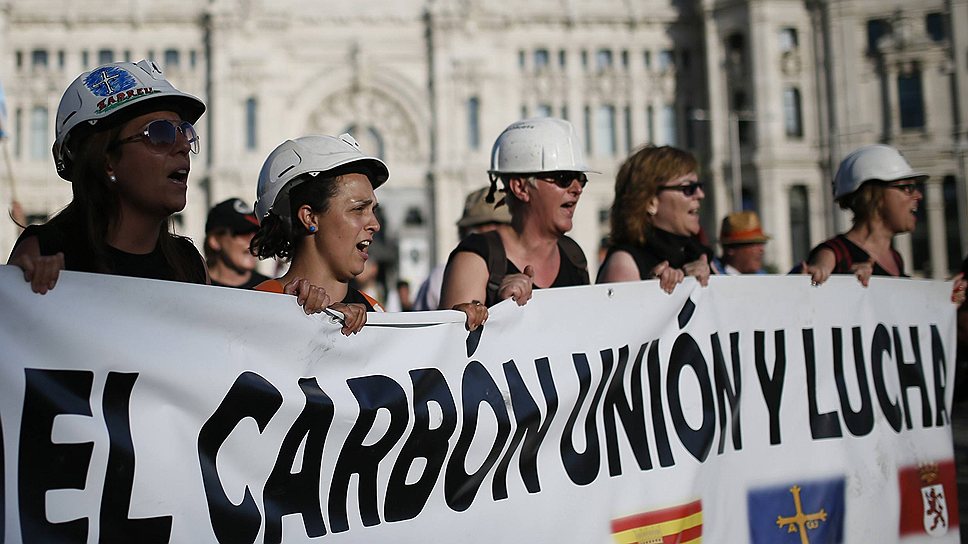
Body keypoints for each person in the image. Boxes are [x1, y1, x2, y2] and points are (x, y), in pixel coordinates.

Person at [7, 60, 208, 293]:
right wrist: (21, 286)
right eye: (159, 133)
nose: (184, 145)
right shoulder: (44, 254)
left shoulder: (191, 266)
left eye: (184, 131)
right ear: (107, 161)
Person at [439, 117, 593, 329]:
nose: (577, 189)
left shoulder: (573, 256)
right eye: (563, 178)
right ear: (521, 188)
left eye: (581, 178)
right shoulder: (476, 258)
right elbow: (450, 343)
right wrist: (500, 310)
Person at [250, 133, 392, 335]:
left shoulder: (376, 312)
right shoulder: (254, 307)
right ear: (309, 217)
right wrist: (303, 323)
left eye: (373, 210)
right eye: (358, 209)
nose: (375, 225)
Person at [802, 144, 967, 300]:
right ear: (875, 195)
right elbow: (813, 283)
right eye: (907, 188)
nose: (918, 195)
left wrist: (946, 296)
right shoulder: (833, 253)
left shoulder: (895, 258)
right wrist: (838, 280)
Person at [597, 145, 712, 293]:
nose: (700, 195)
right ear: (651, 201)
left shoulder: (698, 253)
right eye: (688, 189)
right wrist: (652, 292)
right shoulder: (625, 263)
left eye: (699, 186)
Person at [412, 186, 512, 312]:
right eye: (479, 227)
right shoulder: (441, 277)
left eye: (497, 225)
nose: (488, 236)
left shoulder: (523, 269)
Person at [204, 198, 269, 289]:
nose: (254, 240)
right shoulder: (193, 286)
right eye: (243, 232)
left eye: (258, 233)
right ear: (215, 241)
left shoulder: (270, 290)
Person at [712, 210, 770, 275]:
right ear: (731, 248)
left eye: (762, 243)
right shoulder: (710, 275)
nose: (761, 249)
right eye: (753, 244)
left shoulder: (763, 276)